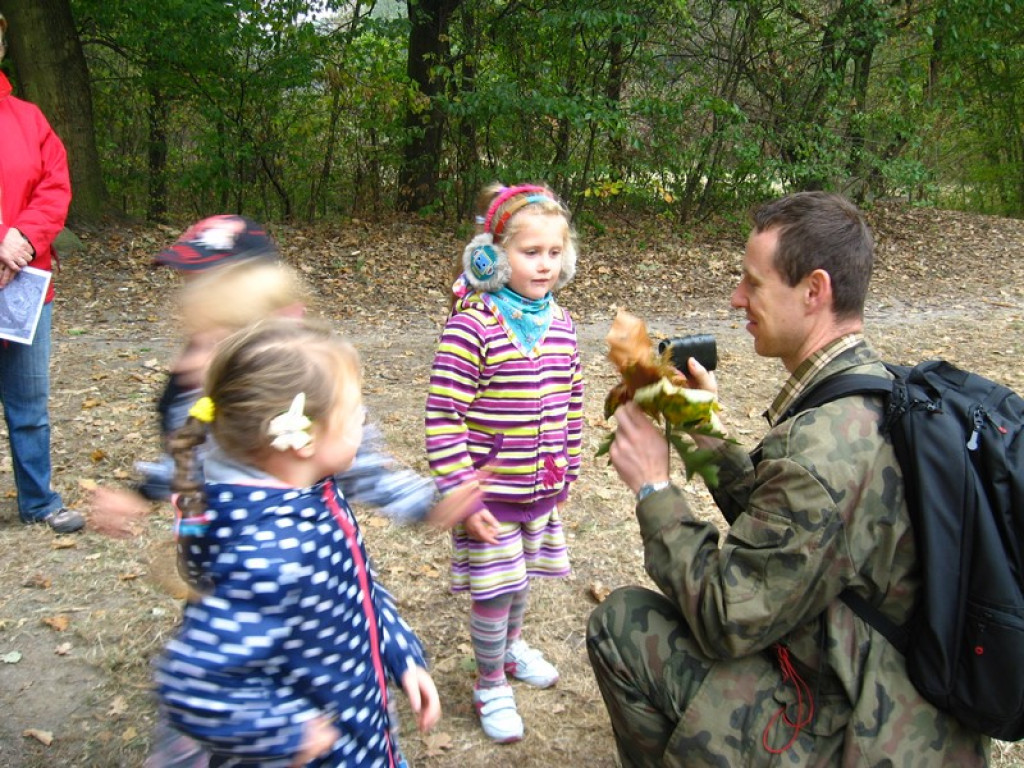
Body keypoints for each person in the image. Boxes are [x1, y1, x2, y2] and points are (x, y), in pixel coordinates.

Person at [586, 191, 990, 766]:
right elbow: (798, 528)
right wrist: (703, 431)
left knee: (620, 625)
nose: (736, 299)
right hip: (904, 692)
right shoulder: (879, 390)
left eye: (753, 282)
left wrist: (655, 488)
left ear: (814, 289)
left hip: (860, 729)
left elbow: (727, 617)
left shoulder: (818, 448)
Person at [155, 317, 442, 768]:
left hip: (358, 726)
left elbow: (357, 590)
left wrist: (400, 653)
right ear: (301, 439)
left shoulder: (313, 493)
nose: (364, 420)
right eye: (353, 413)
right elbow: (192, 681)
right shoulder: (275, 547)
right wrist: (285, 732)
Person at [425, 183, 585, 743]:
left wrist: (570, 463)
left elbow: (572, 399)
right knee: (494, 590)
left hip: (539, 489)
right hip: (488, 496)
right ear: (492, 255)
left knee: (520, 583)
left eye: (554, 253)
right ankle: (490, 681)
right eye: (530, 252)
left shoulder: (561, 324)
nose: (545, 264)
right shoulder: (473, 323)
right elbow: (443, 413)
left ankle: (512, 650)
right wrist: (462, 490)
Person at [0, 12, 82, 533]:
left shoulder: (29, 119)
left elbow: (55, 187)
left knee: (29, 405)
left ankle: (39, 502)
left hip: (25, 286)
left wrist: (23, 239)